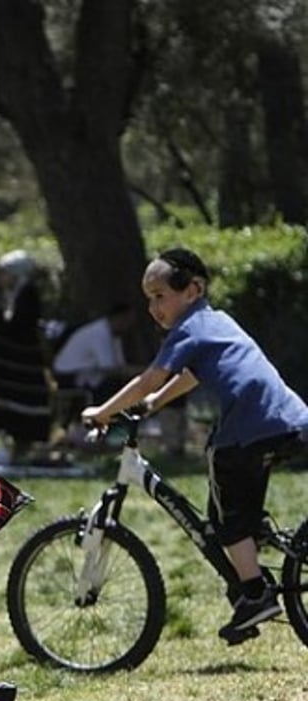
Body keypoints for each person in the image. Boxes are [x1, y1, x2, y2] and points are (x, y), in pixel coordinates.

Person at [82, 247, 308, 641]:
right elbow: (191, 375)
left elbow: (150, 376)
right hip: (288, 420)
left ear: (193, 289)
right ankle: (251, 556)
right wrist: (154, 405)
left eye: (160, 296)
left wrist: (103, 410)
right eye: (148, 299)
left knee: (223, 496)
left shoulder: (189, 327)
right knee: (228, 504)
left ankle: (255, 594)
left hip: (250, 428)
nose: (154, 307)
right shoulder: (215, 322)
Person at [0, 249, 52, 459]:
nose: (1, 278)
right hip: (12, 367)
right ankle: (12, 448)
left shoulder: (27, 293)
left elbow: (18, 325)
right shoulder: (16, 292)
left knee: (24, 407)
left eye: (5, 273)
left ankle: (22, 448)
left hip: (22, 364)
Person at [51, 302, 139, 404]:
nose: (130, 326)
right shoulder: (99, 333)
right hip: (68, 375)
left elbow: (120, 366)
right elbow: (109, 369)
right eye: (128, 321)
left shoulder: (115, 336)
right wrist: (142, 372)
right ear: (120, 317)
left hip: (83, 373)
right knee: (110, 385)